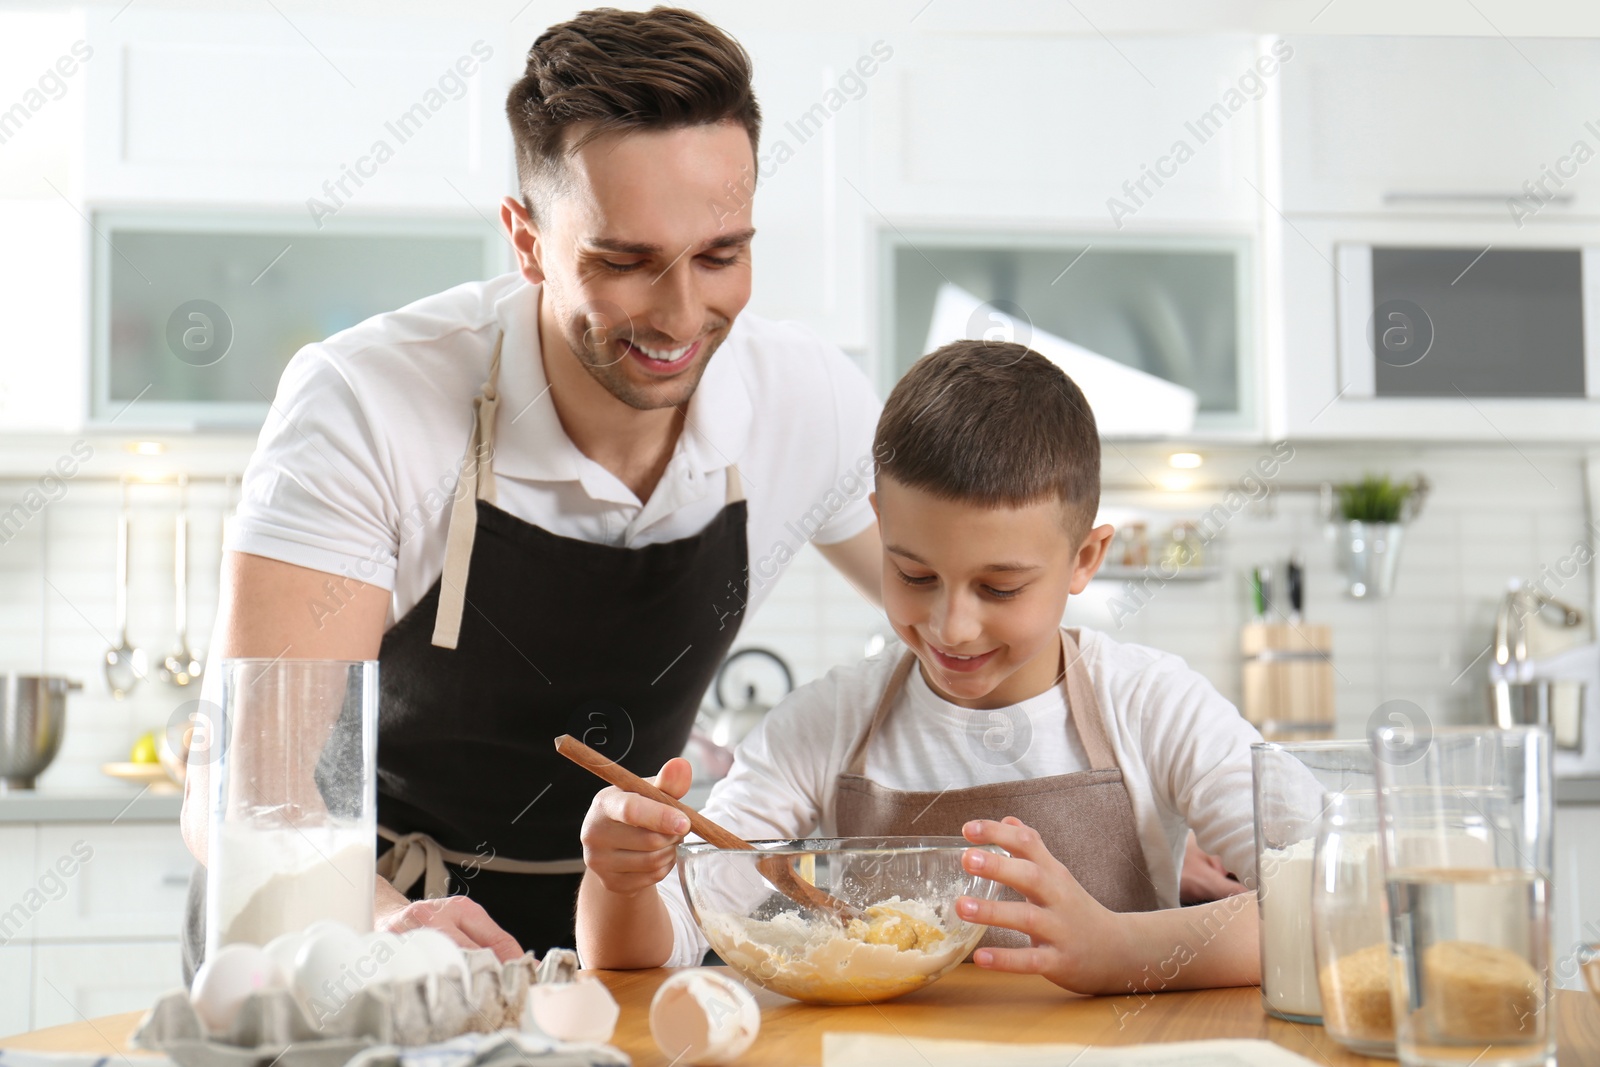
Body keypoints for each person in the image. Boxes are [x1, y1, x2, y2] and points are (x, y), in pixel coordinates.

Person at [178, 6, 885, 971]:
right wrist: (389, 927)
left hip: (625, 948)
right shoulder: (366, 403)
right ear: (526, 240)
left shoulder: (805, 397)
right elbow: (255, 788)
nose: (682, 314)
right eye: (624, 262)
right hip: (363, 936)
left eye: (721, 254)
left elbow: (985, 626)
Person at [576, 341, 1265, 993]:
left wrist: (1118, 948)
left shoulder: (1152, 704)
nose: (951, 626)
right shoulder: (827, 723)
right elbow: (652, 949)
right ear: (880, 525)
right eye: (914, 573)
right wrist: (621, 882)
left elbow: (1331, 889)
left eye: (1000, 588)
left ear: (1085, 558)